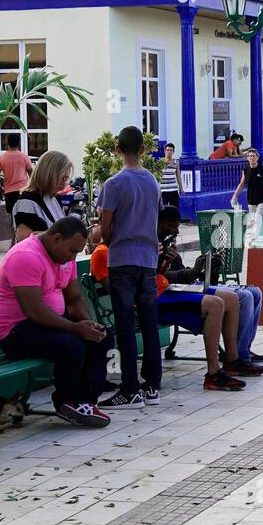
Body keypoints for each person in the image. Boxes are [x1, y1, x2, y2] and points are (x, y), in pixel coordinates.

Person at [92, 231, 260, 390]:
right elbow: (121, 292)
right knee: (215, 304)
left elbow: (154, 275)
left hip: (164, 289)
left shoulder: (127, 248)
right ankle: (213, 372)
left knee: (231, 299)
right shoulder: (103, 253)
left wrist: (161, 261)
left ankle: (232, 360)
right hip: (151, 299)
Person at [0, 217, 113, 427]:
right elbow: (34, 311)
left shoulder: (64, 259)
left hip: (48, 325)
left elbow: (74, 299)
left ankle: (85, 400)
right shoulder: (25, 256)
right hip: (16, 331)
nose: (73, 257)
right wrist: (75, 328)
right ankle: (67, 401)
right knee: (71, 344)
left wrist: (88, 324)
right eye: (72, 251)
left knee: (102, 337)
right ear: (57, 238)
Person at [97, 126, 163, 411]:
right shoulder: (152, 181)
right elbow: (156, 219)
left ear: (117, 149)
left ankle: (129, 389)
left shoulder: (114, 184)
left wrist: (113, 239)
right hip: (148, 259)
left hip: (122, 259)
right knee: (148, 323)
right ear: (143, 150)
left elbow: (105, 228)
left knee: (125, 325)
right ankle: (152, 386)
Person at [157, 205, 263, 364]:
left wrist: (208, 269)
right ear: (161, 223)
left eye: (177, 228)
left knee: (255, 292)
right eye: (172, 227)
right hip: (170, 292)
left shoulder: (168, 246)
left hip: (188, 286)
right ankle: (237, 355)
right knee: (243, 297)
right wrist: (187, 270)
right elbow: (163, 277)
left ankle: (243, 348)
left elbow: (183, 274)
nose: (176, 232)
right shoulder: (154, 247)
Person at [12, 150, 73, 243]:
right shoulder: (27, 202)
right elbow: (24, 239)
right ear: (48, 174)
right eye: (62, 177)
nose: (64, 183)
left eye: (66, 178)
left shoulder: (54, 198)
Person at [230, 148, 263, 238]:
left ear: (257, 157)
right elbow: (242, 183)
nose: (252, 158)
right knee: (254, 219)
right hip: (251, 198)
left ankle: (256, 236)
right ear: (247, 158)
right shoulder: (245, 170)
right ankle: (260, 234)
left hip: (262, 198)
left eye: (254, 156)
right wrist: (234, 196)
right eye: (250, 156)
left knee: (258, 216)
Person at [0, 144, 34, 215]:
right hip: (23, 192)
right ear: (19, 144)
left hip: (9, 193)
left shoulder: (1, 158)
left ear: (8, 144)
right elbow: (32, 175)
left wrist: (2, 190)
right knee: (24, 216)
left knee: (11, 216)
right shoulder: (24, 157)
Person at [159, 143, 182, 211]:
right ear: (165, 151)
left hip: (173, 189)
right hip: (163, 190)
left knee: (175, 209)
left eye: (170, 150)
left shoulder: (176, 162)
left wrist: (181, 188)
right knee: (163, 210)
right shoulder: (160, 162)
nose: (169, 152)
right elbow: (157, 175)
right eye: (167, 150)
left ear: (173, 151)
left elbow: (178, 176)